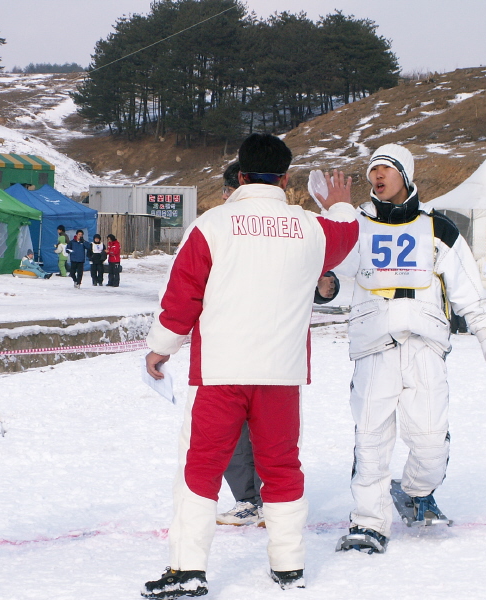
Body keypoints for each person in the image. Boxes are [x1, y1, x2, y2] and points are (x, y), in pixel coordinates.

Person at [141, 133, 359, 598]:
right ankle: (289, 567)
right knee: (282, 467)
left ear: (240, 176)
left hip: (221, 372)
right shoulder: (310, 229)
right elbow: (346, 233)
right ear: (286, 178)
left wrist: (162, 347)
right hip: (281, 374)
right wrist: (339, 203)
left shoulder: (212, 225)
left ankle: (187, 570)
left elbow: (183, 297)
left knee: (199, 467)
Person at [332, 144, 486, 556]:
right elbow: (334, 274)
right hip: (374, 347)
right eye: (373, 169)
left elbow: (465, 285)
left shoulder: (437, 228)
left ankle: (414, 492)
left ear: (406, 175)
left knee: (430, 442)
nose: (378, 176)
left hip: (426, 347)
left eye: (387, 169)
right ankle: (368, 523)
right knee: (371, 442)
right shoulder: (356, 225)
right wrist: (326, 280)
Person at [215, 160, 342, 528]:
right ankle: (248, 500)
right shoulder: (218, 229)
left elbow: (317, 269)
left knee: (273, 437)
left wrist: (325, 286)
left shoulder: (286, 226)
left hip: (277, 353)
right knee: (233, 438)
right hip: (229, 351)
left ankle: (277, 502)